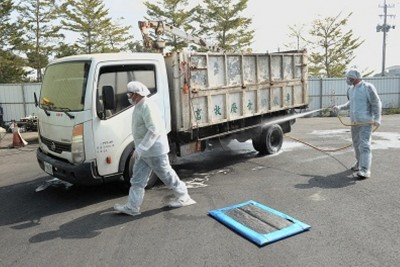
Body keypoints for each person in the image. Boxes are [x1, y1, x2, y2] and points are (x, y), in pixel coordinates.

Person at [114, 81, 196, 216]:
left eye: (129, 94)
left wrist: (140, 148)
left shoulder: (147, 106)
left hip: (154, 151)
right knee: (137, 179)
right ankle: (132, 207)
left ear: (136, 94)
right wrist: (140, 149)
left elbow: (154, 130)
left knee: (166, 174)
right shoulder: (139, 106)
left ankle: (184, 197)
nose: (128, 97)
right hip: (145, 152)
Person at [333, 69, 382, 179]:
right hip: (354, 122)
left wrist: (377, 118)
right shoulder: (351, 89)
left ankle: (365, 170)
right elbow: (351, 103)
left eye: (348, 78)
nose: (347, 80)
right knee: (356, 144)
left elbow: (376, 103)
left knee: (364, 145)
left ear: (354, 78)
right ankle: (359, 163)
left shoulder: (367, 87)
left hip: (365, 122)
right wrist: (340, 107)